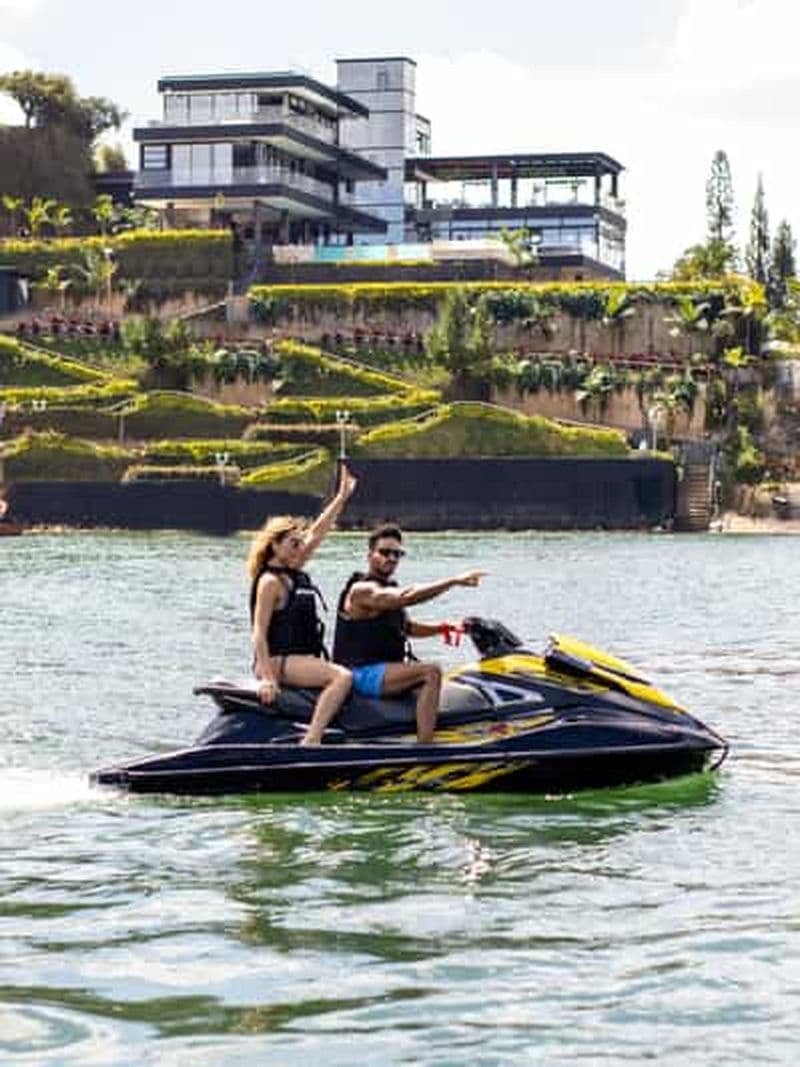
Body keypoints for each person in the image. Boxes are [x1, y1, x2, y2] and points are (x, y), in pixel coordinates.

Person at [333, 523, 485, 743]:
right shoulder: (362, 590)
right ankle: (425, 748)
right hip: (359, 672)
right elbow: (403, 597)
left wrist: (442, 628)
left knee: (447, 687)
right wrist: (452, 581)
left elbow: (407, 628)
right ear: (370, 556)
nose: (391, 558)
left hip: (382, 670)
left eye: (397, 554)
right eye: (385, 552)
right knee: (431, 672)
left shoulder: (388, 587)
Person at [248, 464, 357, 745]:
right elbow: (259, 632)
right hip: (275, 661)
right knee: (342, 678)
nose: (301, 548)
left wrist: (341, 497)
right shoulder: (270, 582)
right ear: (275, 546)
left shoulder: (291, 570)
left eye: (299, 543)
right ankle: (312, 739)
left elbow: (317, 533)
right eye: (294, 543)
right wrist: (268, 678)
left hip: (298, 658)